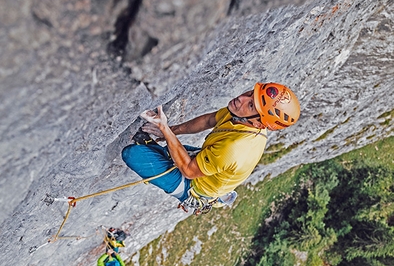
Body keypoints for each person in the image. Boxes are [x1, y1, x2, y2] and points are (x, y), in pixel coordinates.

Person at [121, 82, 300, 214]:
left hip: (194, 186)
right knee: (172, 150)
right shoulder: (239, 116)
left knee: (132, 154)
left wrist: (165, 130)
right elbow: (209, 120)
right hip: (209, 162)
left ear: (259, 124)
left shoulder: (234, 149)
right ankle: (160, 149)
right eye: (250, 93)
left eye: (251, 105)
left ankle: (151, 148)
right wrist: (170, 131)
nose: (242, 99)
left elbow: (189, 171)